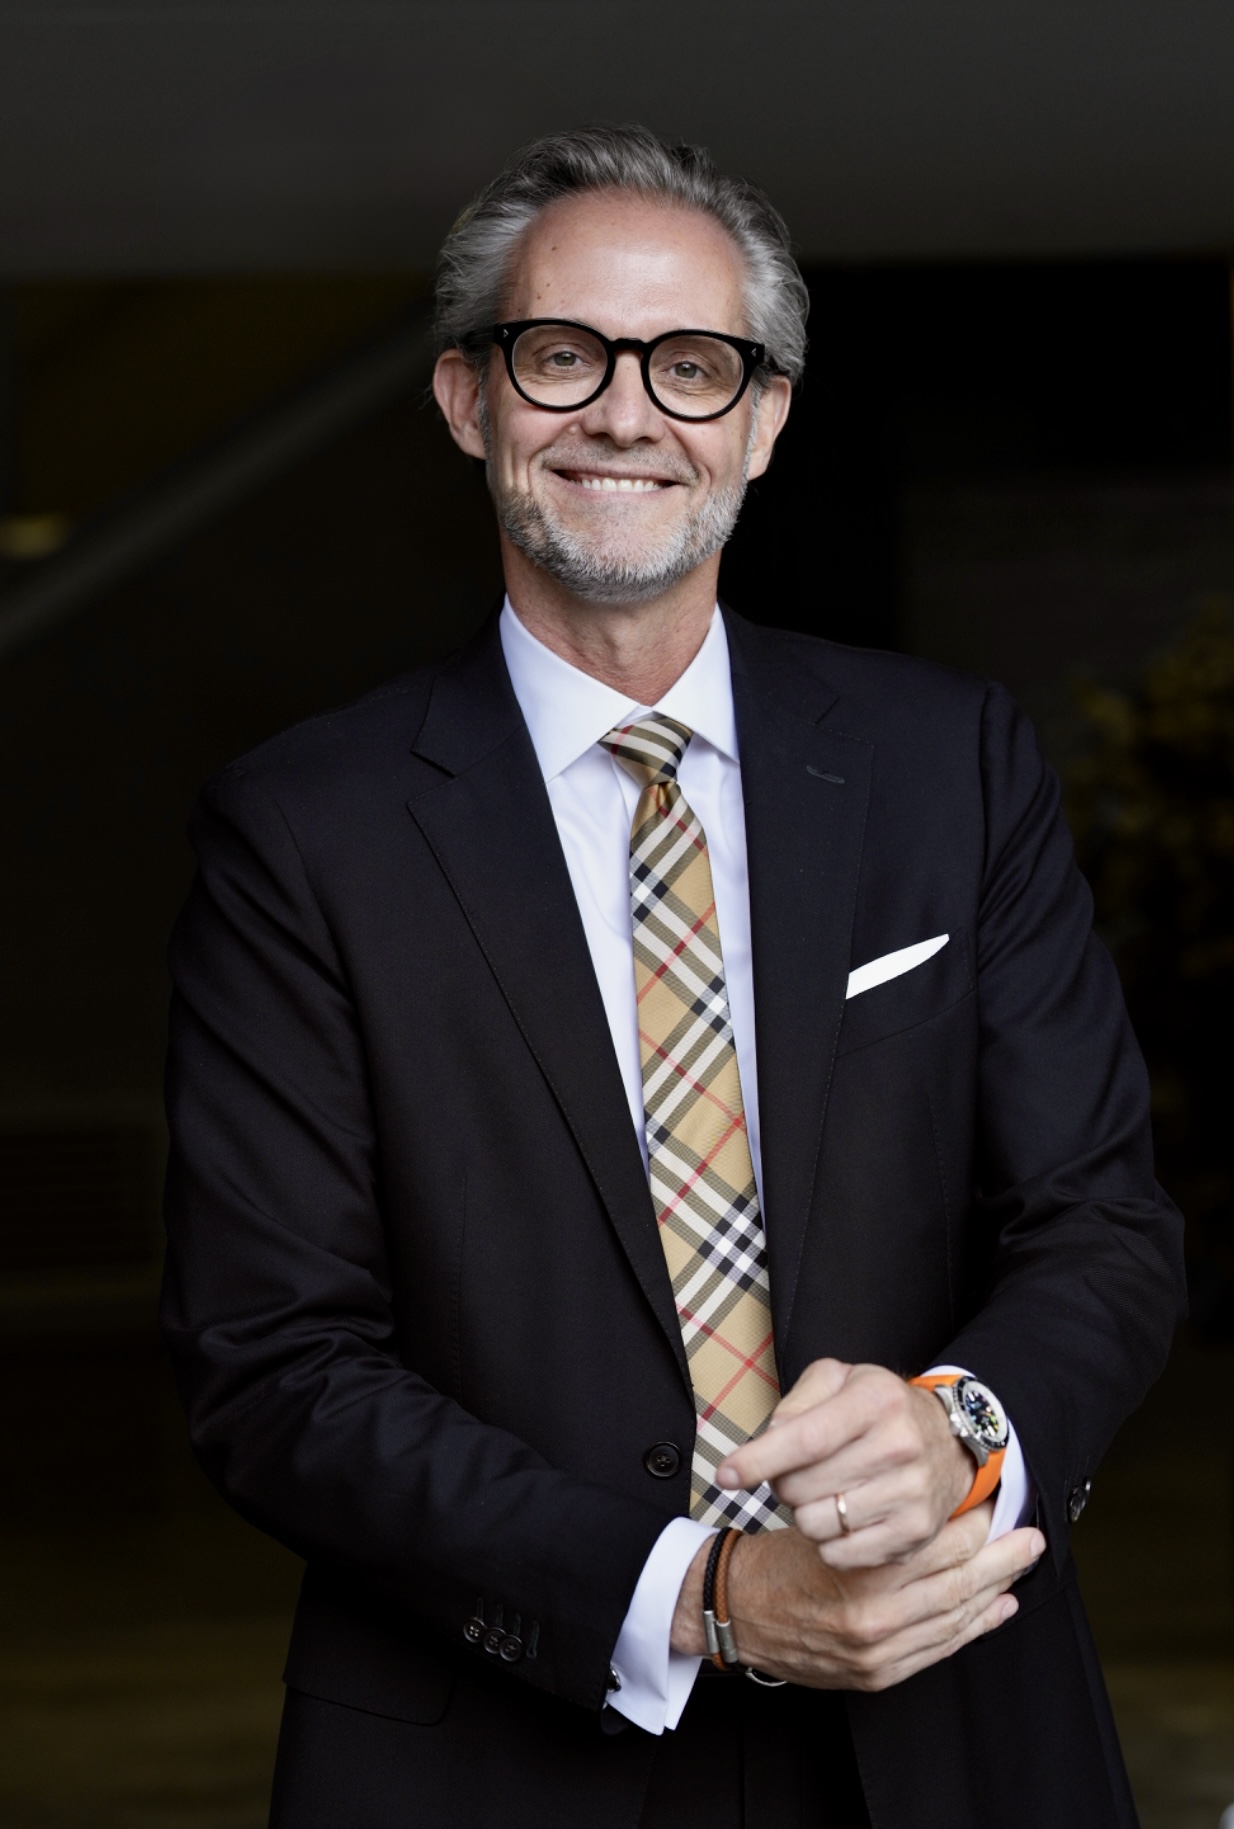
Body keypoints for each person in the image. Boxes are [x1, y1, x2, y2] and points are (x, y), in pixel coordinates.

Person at [161, 126, 1185, 1828]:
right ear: (467, 399)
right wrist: (693, 1592)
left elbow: (1103, 1224)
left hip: (946, 1719)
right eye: (562, 355)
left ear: (763, 420)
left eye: (691, 365)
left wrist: (963, 1427)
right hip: (498, 1747)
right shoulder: (299, 832)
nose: (625, 414)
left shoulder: (949, 764)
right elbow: (274, 1360)